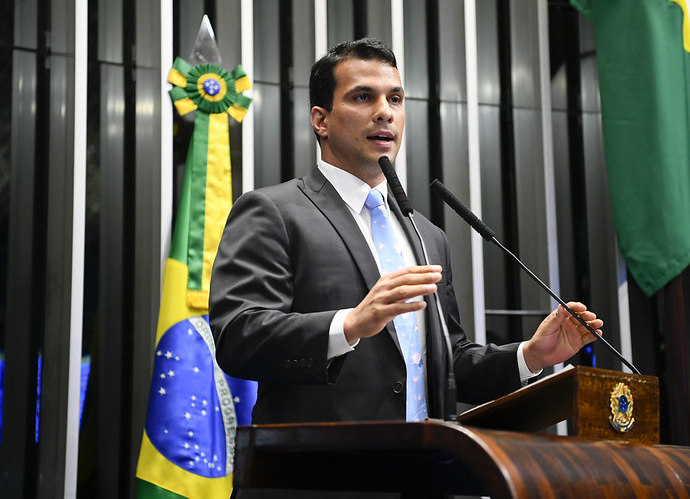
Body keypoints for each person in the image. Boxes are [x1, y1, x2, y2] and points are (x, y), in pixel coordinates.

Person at [209, 37, 602, 427]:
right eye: (363, 97)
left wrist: (531, 355)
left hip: (424, 469)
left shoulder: (425, 233)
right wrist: (349, 324)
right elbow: (238, 336)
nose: (385, 113)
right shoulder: (273, 211)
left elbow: (449, 362)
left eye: (395, 99)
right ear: (320, 120)